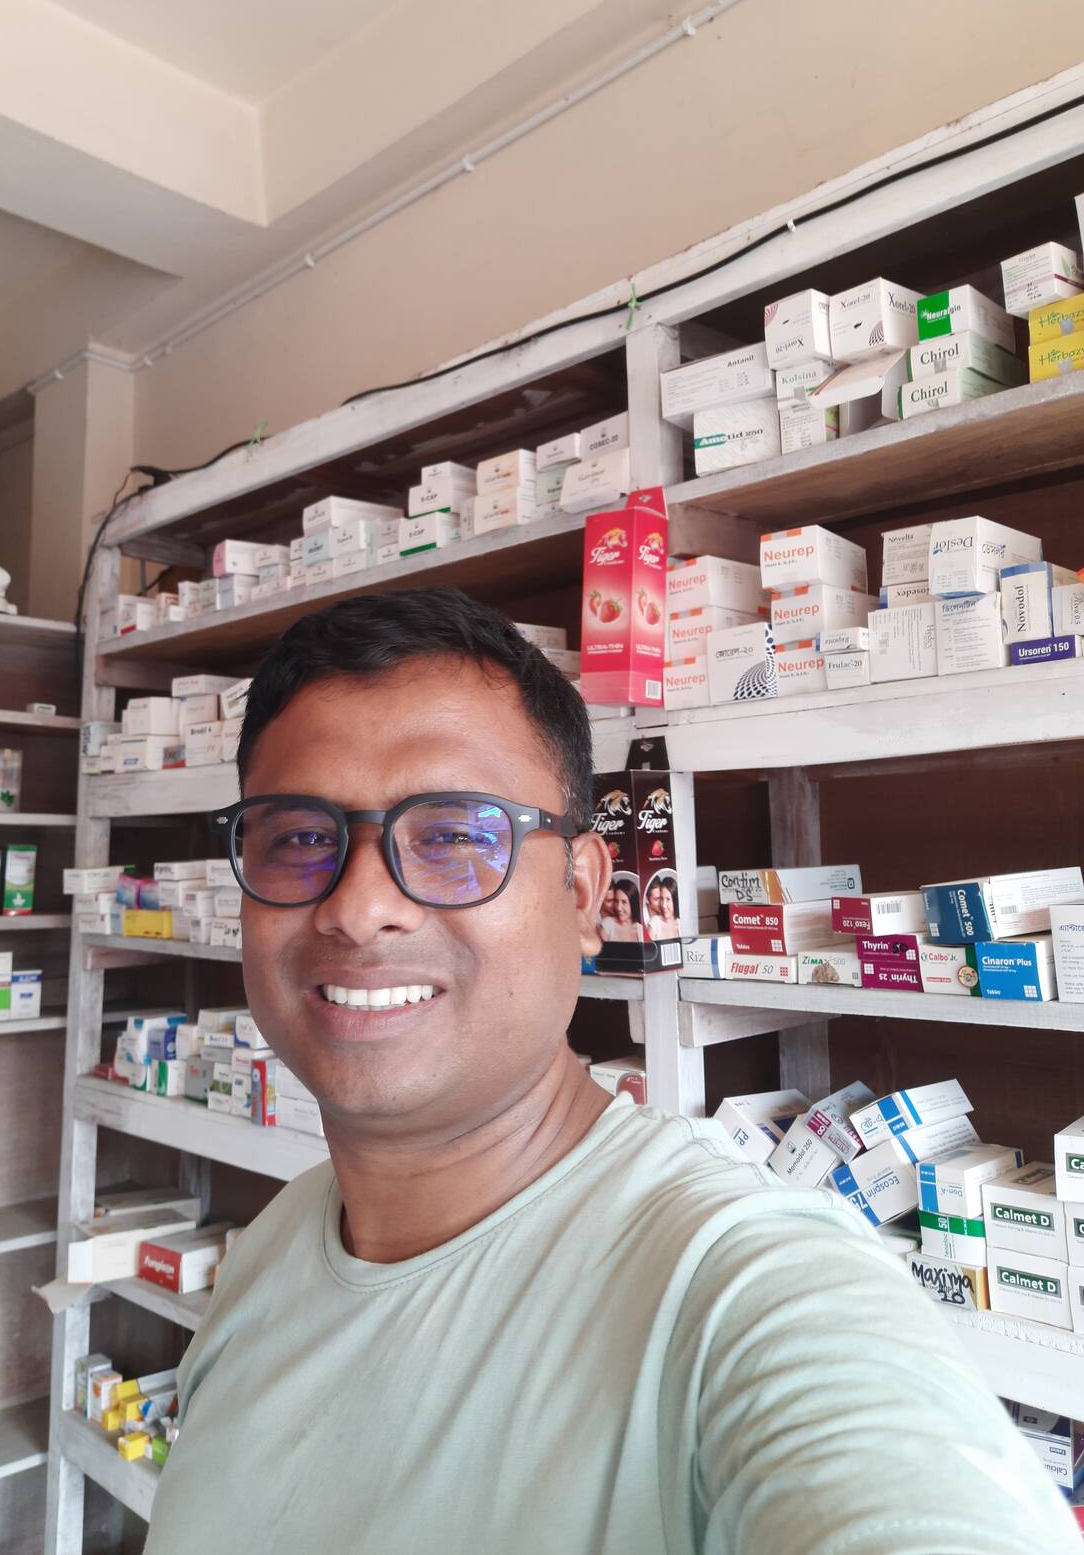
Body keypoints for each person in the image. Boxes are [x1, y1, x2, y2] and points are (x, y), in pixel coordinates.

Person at [144, 587, 1078, 1555]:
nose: (358, 907)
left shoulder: (733, 1288)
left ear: (587, 896)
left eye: (455, 835)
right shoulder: (265, 1260)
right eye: (301, 838)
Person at [645, 874, 680, 940]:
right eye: (661, 898)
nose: (663, 905)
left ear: (675, 900)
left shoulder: (681, 924)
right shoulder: (655, 923)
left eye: (668, 899)